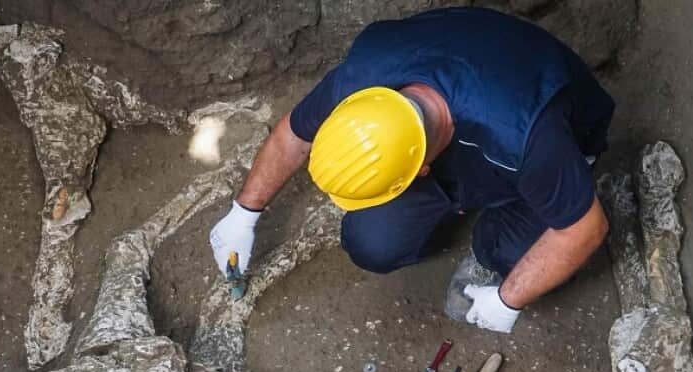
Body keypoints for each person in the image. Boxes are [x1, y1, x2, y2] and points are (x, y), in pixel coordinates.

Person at [207, 6, 615, 334]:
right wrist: (243, 213)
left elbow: (585, 229)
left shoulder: (526, 138)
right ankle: (452, 215)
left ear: (419, 171)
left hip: (542, 121)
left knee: (510, 250)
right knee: (372, 241)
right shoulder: (363, 79)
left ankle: (492, 245)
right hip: (470, 102)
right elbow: (293, 136)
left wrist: (509, 299)